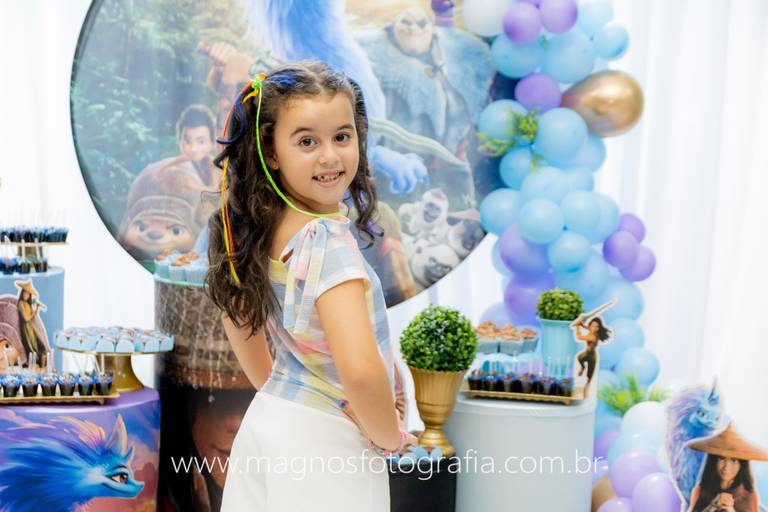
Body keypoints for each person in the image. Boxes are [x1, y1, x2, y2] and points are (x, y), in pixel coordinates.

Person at [205, 61, 418, 511]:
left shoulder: (257, 230)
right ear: (271, 152)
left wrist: (282, 391)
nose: (329, 156)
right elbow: (360, 371)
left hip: (268, 423)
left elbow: (237, 317)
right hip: (328, 445)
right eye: (307, 141)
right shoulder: (329, 244)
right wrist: (389, 438)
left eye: (342, 136)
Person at [687, 422, 766, 512]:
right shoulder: (700, 490)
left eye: (734, 460)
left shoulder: (749, 495)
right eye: (721, 458)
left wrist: (730, 510)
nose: (726, 466)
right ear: (713, 461)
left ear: (742, 465)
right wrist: (714, 505)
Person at [571, 315, 611, 396]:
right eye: (592, 325)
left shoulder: (593, 336)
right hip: (586, 353)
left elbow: (579, 337)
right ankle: (583, 367)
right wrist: (581, 324)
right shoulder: (591, 330)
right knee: (579, 358)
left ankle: (586, 390)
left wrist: (577, 327)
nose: (594, 328)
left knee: (589, 377)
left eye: (596, 327)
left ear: (598, 328)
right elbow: (587, 328)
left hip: (592, 356)